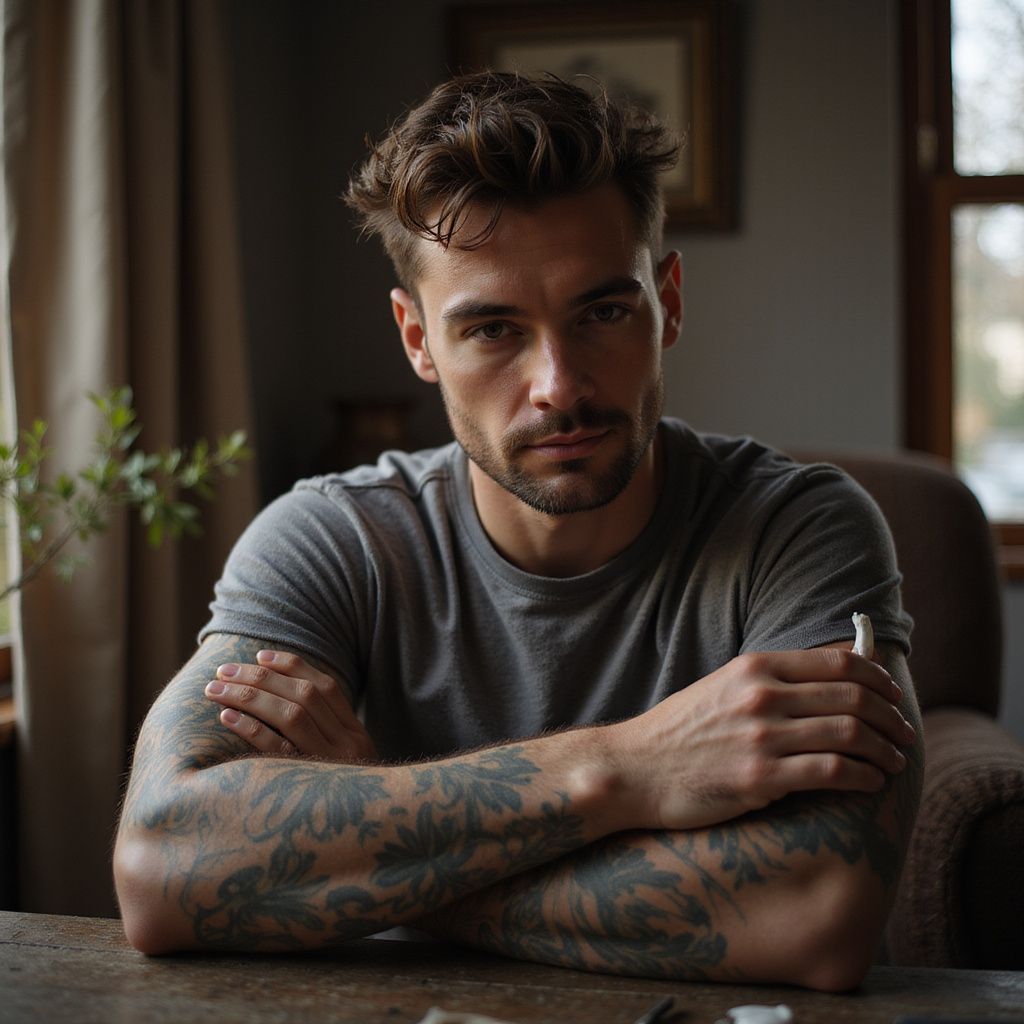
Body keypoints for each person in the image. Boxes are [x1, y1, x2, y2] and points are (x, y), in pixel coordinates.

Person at [113, 71, 921, 991]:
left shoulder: (800, 530)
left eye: (603, 312)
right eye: (494, 330)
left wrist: (380, 847)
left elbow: (817, 913)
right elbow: (163, 867)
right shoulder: (330, 539)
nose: (559, 387)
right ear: (417, 339)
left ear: (668, 301)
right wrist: (628, 767)